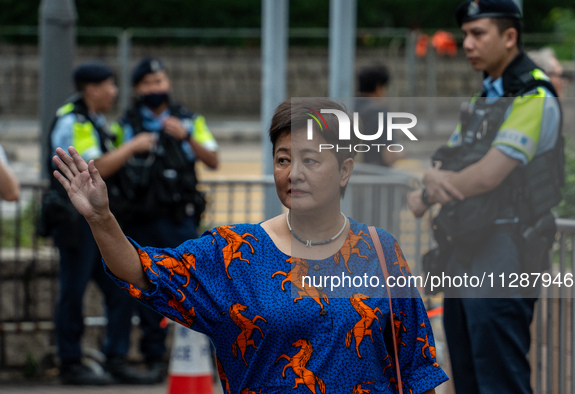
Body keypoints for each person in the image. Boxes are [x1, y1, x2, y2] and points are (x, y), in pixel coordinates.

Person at [53, 98, 448, 393]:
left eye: (311, 160)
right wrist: (101, 218)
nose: (294, 174)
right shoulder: (233, 253)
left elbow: (418, 368)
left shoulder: (380, 250)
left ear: (345, 170)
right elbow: (141, 270)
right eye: (283, 160)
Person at [408, 1, 563, 393]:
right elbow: (445, 159)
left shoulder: (533, 95)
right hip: (469, 247)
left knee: (499, 379)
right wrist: (432, 176)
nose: (467, 44)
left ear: (510, 37)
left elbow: (487, 175)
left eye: (478, 34)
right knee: (467, 374)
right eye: (465, 35)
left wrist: (428, 190)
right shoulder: (485, 99)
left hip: (505, 246)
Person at [108, 57, 219, 381]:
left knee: (194, 289)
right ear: (138, 89)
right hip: (139, 221)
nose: (156, 88)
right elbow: (104, 164)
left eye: (160, 81)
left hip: (179, 221)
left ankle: (204, 360)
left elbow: (213, 159)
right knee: (145, 293)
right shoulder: (125, 124)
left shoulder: (189, 120)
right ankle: (154, 358)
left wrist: (186, 137)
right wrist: (132, 145)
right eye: (148, 83)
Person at [47, 62, 158, 385]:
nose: (115, 92)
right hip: (75, 220)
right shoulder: (74, 120)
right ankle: (70, 362)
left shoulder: (93, 120)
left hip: (94, 220)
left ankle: (116, 357)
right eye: (109, 85)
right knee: (73, 290)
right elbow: (94, 169)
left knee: (121, 287)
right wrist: (132, 147)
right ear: (91, 89)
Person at [355, 64, 404, 167]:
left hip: (350, 176)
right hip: (376, 176)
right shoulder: (381, 114)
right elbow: (389, 156)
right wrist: (401, 153)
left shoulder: (347, 109)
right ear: (379, 87)